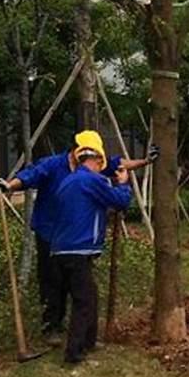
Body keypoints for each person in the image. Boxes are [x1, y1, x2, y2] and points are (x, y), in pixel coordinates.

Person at [0, 130, 158, 343]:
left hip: (75, 236)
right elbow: (29, 176)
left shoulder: (91, 164)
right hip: (50, 232)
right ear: (75, 150)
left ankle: (77, 332)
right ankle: (52, 326)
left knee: (79, 285)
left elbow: (119, 164)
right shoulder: (53, 165)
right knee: (52, 281)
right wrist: (9, 185)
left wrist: (145, 161)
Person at [49, 141, 132, 364]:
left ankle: (89, 341)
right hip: (78, 249)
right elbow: (120, 201)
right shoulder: (91, 180)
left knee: (89, 296)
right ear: (96, 161)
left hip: (59, 249)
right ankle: (74, 353)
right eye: (100, 164)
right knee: (84, 301)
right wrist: (123, 185)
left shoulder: (67, 182)